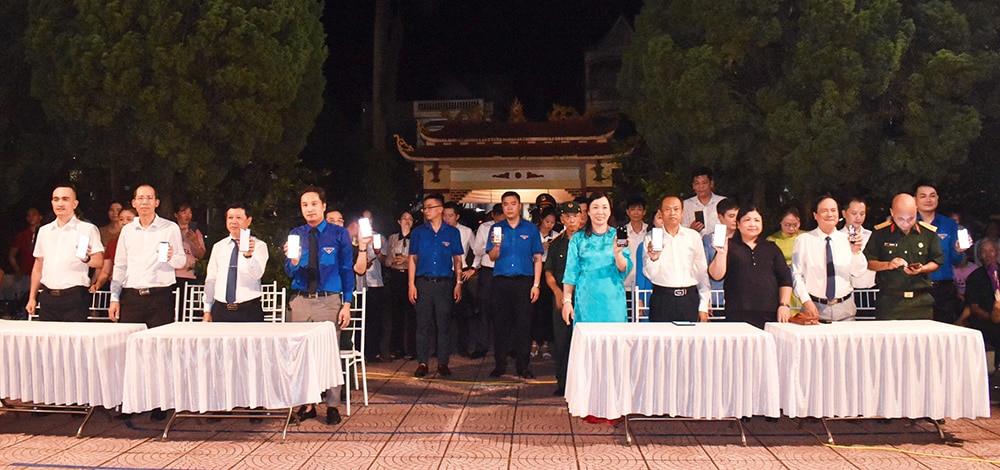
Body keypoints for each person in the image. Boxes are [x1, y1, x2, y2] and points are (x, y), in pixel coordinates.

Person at [109, 185, 186, 422]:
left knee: (160, 352)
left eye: (149, 198)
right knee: (130, 351)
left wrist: (173, 255)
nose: (144, 202)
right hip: (132, 296)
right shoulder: (128, 231)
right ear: (133, 203)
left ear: (156, 202)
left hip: (159, 296)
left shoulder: (169, 228)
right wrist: (114, 297)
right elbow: (120, 265)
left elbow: (181, 261)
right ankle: (131, 402)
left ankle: (160, 402)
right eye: (140, 198)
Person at [283, 185, 353, 425]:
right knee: (300, 355)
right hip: (301, 300)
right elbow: (289, 271)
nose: (309, 209)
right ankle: (307, 404)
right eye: (305, 205)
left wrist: (347, 303)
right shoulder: (297, 233)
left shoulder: (338, 234)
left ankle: (333, 405)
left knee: (329, 354)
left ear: (323, 206)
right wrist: (293, 261)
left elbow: (346, 269)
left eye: (314, 204)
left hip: (328, 300)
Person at [486, 191, 544, 379]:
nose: (509, 207)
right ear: (501, 207)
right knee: (500, 326)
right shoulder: (496, 229)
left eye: (513, 203)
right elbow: (492, 257)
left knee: (524, 326)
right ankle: (500, 365)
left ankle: (523, 366)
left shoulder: (530, 229)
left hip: (524, 282)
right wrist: (497, 246)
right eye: (505, 204)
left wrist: (536, 284)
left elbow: (537, 258)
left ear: (519, 206)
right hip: (501, 282)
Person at [26, 186, 105, 322]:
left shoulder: (86, 229)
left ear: (74, 204)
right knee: (47, 341)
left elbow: (99, 262)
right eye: (56, 199)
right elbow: (38, 265)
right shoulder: (44, 231)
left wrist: (86, 259)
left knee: (74, 341)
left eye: (65, 199)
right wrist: (32, 297)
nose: (60, 203)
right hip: (48, 297)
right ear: (52, 203)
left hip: (74, 297)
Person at [709, 204, 793, 329]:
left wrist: (784, 305)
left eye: (757, 220)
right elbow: (716, 275)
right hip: (737, 314)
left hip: (769, 315)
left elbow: (785, 279)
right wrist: (721, 253)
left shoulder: (771, 248)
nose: (752, 224)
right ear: (738, 224)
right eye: (747, 220)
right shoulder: (729, 246)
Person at [408, 194, 464, 377]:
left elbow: (457, 259)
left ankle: (443, 362)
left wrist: (458, 283)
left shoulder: (452, 232)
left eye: (430, 207)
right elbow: (412, 259)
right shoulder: (418, 232)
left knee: (444, 324)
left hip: (444, 283)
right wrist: (411, 284)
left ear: (440, 209)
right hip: (423, 282)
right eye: (425, 208)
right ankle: (422, 362)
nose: (426, 211)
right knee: (422, 325)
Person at [864, 193, 943, 320]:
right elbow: (868, 262)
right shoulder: (880, 234)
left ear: (916, 210)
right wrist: (888, 265)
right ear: (892, 213)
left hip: (921, 302)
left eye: (911, 218)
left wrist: (922, 268)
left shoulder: (928, 233)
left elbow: (937, 261)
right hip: (890, 302)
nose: (906, 223)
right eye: (901, 219)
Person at [790, 196, 868, 324]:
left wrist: (856, 251)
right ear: (815, 215)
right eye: (825, 210)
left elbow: (858, 272)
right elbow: (796, 275)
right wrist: (806, 301)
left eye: (833, 210)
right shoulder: (804, 240)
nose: (830, 214)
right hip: (814, 308)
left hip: (845, 309)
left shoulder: (848, 239)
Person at [561, 192, 632, 324]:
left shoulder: (617, 236)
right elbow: (570, 272)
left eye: (604, 207)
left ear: (610, 211)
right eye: (595, 207)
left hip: (613, 302)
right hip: (586, 301)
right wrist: (567, 301)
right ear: (587, 212)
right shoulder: (578, 238)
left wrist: (617, 253)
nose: (600, 212)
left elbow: (624, 268)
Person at [642, 196, 710, 322]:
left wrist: (704, 305)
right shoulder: (651, 238)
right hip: (662, 299)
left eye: (676, 209)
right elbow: (650, 274)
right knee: (660, 341)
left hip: (689, 299)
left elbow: (702, 271)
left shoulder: (693, 236)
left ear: (682, 213)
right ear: (661, 213)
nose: (672, 213)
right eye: (667, 209)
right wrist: (654, 259)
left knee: (691, 340)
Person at [914, 181, 971, 323]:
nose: (928, 200)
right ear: (914, 200)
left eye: (932, 196)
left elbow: (956, 261)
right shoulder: (908, 224)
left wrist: (959, 251)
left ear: (938, 199)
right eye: (923, 196)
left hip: (943, 289)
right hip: (916, 287)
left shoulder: (949, 224)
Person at [202, 204, 268, 322]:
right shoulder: (218, 247)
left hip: (248, 310)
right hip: (220, 310)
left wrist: (248, 256)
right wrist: (207, 310)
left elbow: (258, 274)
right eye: (230, 218)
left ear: (249, 220)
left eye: (238, 218)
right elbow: (211, 278)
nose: (233, 222)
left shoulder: (259, 246)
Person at [544, 201, 581, 396]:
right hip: (561, 298)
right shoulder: (556, 243)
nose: (571, 220)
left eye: (575, 216)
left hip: (584, 299)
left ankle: (582, 384)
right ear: (562, 219)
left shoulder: (588, 240)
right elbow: (548, 272)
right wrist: (558, 293)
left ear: (581, 217)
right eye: (567, 216)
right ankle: (563, 383)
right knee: (562, 342)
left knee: (583, 342)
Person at [470, 203, 504, 359]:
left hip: (505, 271)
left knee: (504, 310)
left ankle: (505, 347)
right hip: (488, 271)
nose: (501, 220)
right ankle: (481, 346)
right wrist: (491, 246)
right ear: (493, 216)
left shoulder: (512, 227)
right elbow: (476, 250)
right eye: (498, 217)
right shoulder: (485, 228)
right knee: (484, 309)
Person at [443, 202, 477, 358]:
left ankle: (463, 346)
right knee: (443, 312)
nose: (447, 218)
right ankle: (442, 347)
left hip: (460, 271)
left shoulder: (466, 231)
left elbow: (477, 250)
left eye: (450, 215)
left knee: (462, 312)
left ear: (457, 216)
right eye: (445, 215)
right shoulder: (439, 231)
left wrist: (473, 268)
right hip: (443, 272)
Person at [958, 239, 1000, 350]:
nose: (988, 255)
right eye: (984, 251)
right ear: (980, 255)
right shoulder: (975, 277)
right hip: (985, 319)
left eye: (991, 251)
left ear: (997, 252)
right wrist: (991, 316)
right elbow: (973, 306)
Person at [385, 209, 416, 359]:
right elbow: (387, 260)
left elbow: (420, 258)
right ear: (399, 222)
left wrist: (407, 261)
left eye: (410, 219)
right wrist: (393, 260)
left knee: (412, 315)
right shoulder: (392, 238)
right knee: (397, 315)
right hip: (396, 276)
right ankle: (396, 348)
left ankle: (412, 349)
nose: (407, 221)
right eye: (404, 218)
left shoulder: (417, 237)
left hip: (411, 278)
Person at [532, 207, 559, 358]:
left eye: (553, 222)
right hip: (535, 271)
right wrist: (540, 248)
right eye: (547, 221)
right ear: (541, 220)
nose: (549, 225)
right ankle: (534, 342)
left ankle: (546, 344)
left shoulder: (556, 236)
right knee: (534, 309)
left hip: (550, 272)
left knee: (548, 309)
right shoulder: (533, 234)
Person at [703, 198, 739, 309]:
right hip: (716, 297)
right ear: (720, 217)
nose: (735, 220)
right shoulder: (709, 240)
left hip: (738, 298)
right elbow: (703, 271)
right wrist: (704, 300)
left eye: (738, 216)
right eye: (731, 216)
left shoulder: (744, 240)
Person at [92, 208, 137, 292]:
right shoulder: (112, 243)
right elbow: (105, 271)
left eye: (129, 219)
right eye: (121, 219)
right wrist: (98, 284)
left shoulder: (143, 241)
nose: (124, 222)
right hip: (117, 287)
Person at [840, 197, 876, 289]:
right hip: (848, 290)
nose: (858, 217)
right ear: (844, 213)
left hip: (871, 288)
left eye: (862, 214)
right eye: (854, 213)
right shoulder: (838, 237)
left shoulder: (871, 235)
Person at [681, 167, 726, 236]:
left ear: (711, 184)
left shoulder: (723, 202)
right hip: (694, 244)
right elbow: (681, 229)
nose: (701, 187)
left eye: (704, 183)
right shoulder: (686, 205)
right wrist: (691, 230)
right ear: (693, 186)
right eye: (697, 183)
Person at [173, 204, 206, 289]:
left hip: (189, 274)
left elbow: (201, 256)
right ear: (176, 215)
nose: (187, 215)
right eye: (184, 212)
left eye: (189, 212)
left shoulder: (195, 233)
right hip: (172, 274)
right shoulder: (171, 231)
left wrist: (195, 241)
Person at [623, 196, 648, 293]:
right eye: (632, 209)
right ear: (627, 212)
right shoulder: (622, 232)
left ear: (644, 212)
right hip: (625, 285)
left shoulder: (650, 231)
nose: (636, 213)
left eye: (639, 209)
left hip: (645, 285)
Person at [9, 207, 43, 276]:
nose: (31, 218)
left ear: (40, 217)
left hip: (44, 274)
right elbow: (11, 255)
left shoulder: (46, 233)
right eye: (29, 216)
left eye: (34, 215)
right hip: (26, 274)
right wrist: (17, 269)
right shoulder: (22, 235)